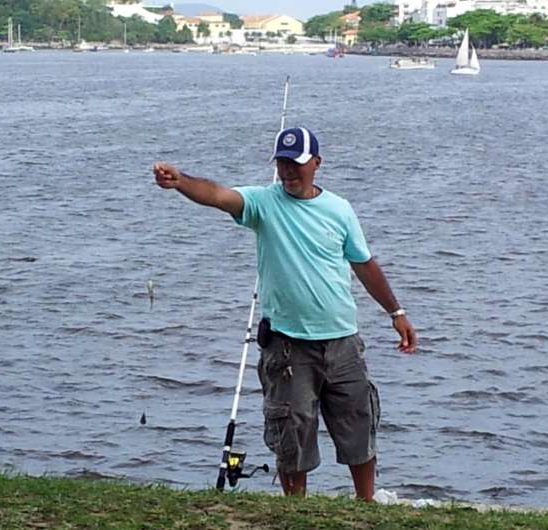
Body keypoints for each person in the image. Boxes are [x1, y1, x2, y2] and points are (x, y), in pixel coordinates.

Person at [152, 127, 417, 501]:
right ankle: (295, 510)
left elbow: (364, 263)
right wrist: (181, 181)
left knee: (358, 427)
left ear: (317, 164)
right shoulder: (263, 203)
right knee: (290, 434)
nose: (289, 173)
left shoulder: (339, 209)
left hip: (342, 343)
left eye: (296, 165)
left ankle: (366, 504)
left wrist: (397, 311)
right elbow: (218, 195)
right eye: (282, 165)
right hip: (288, 348)